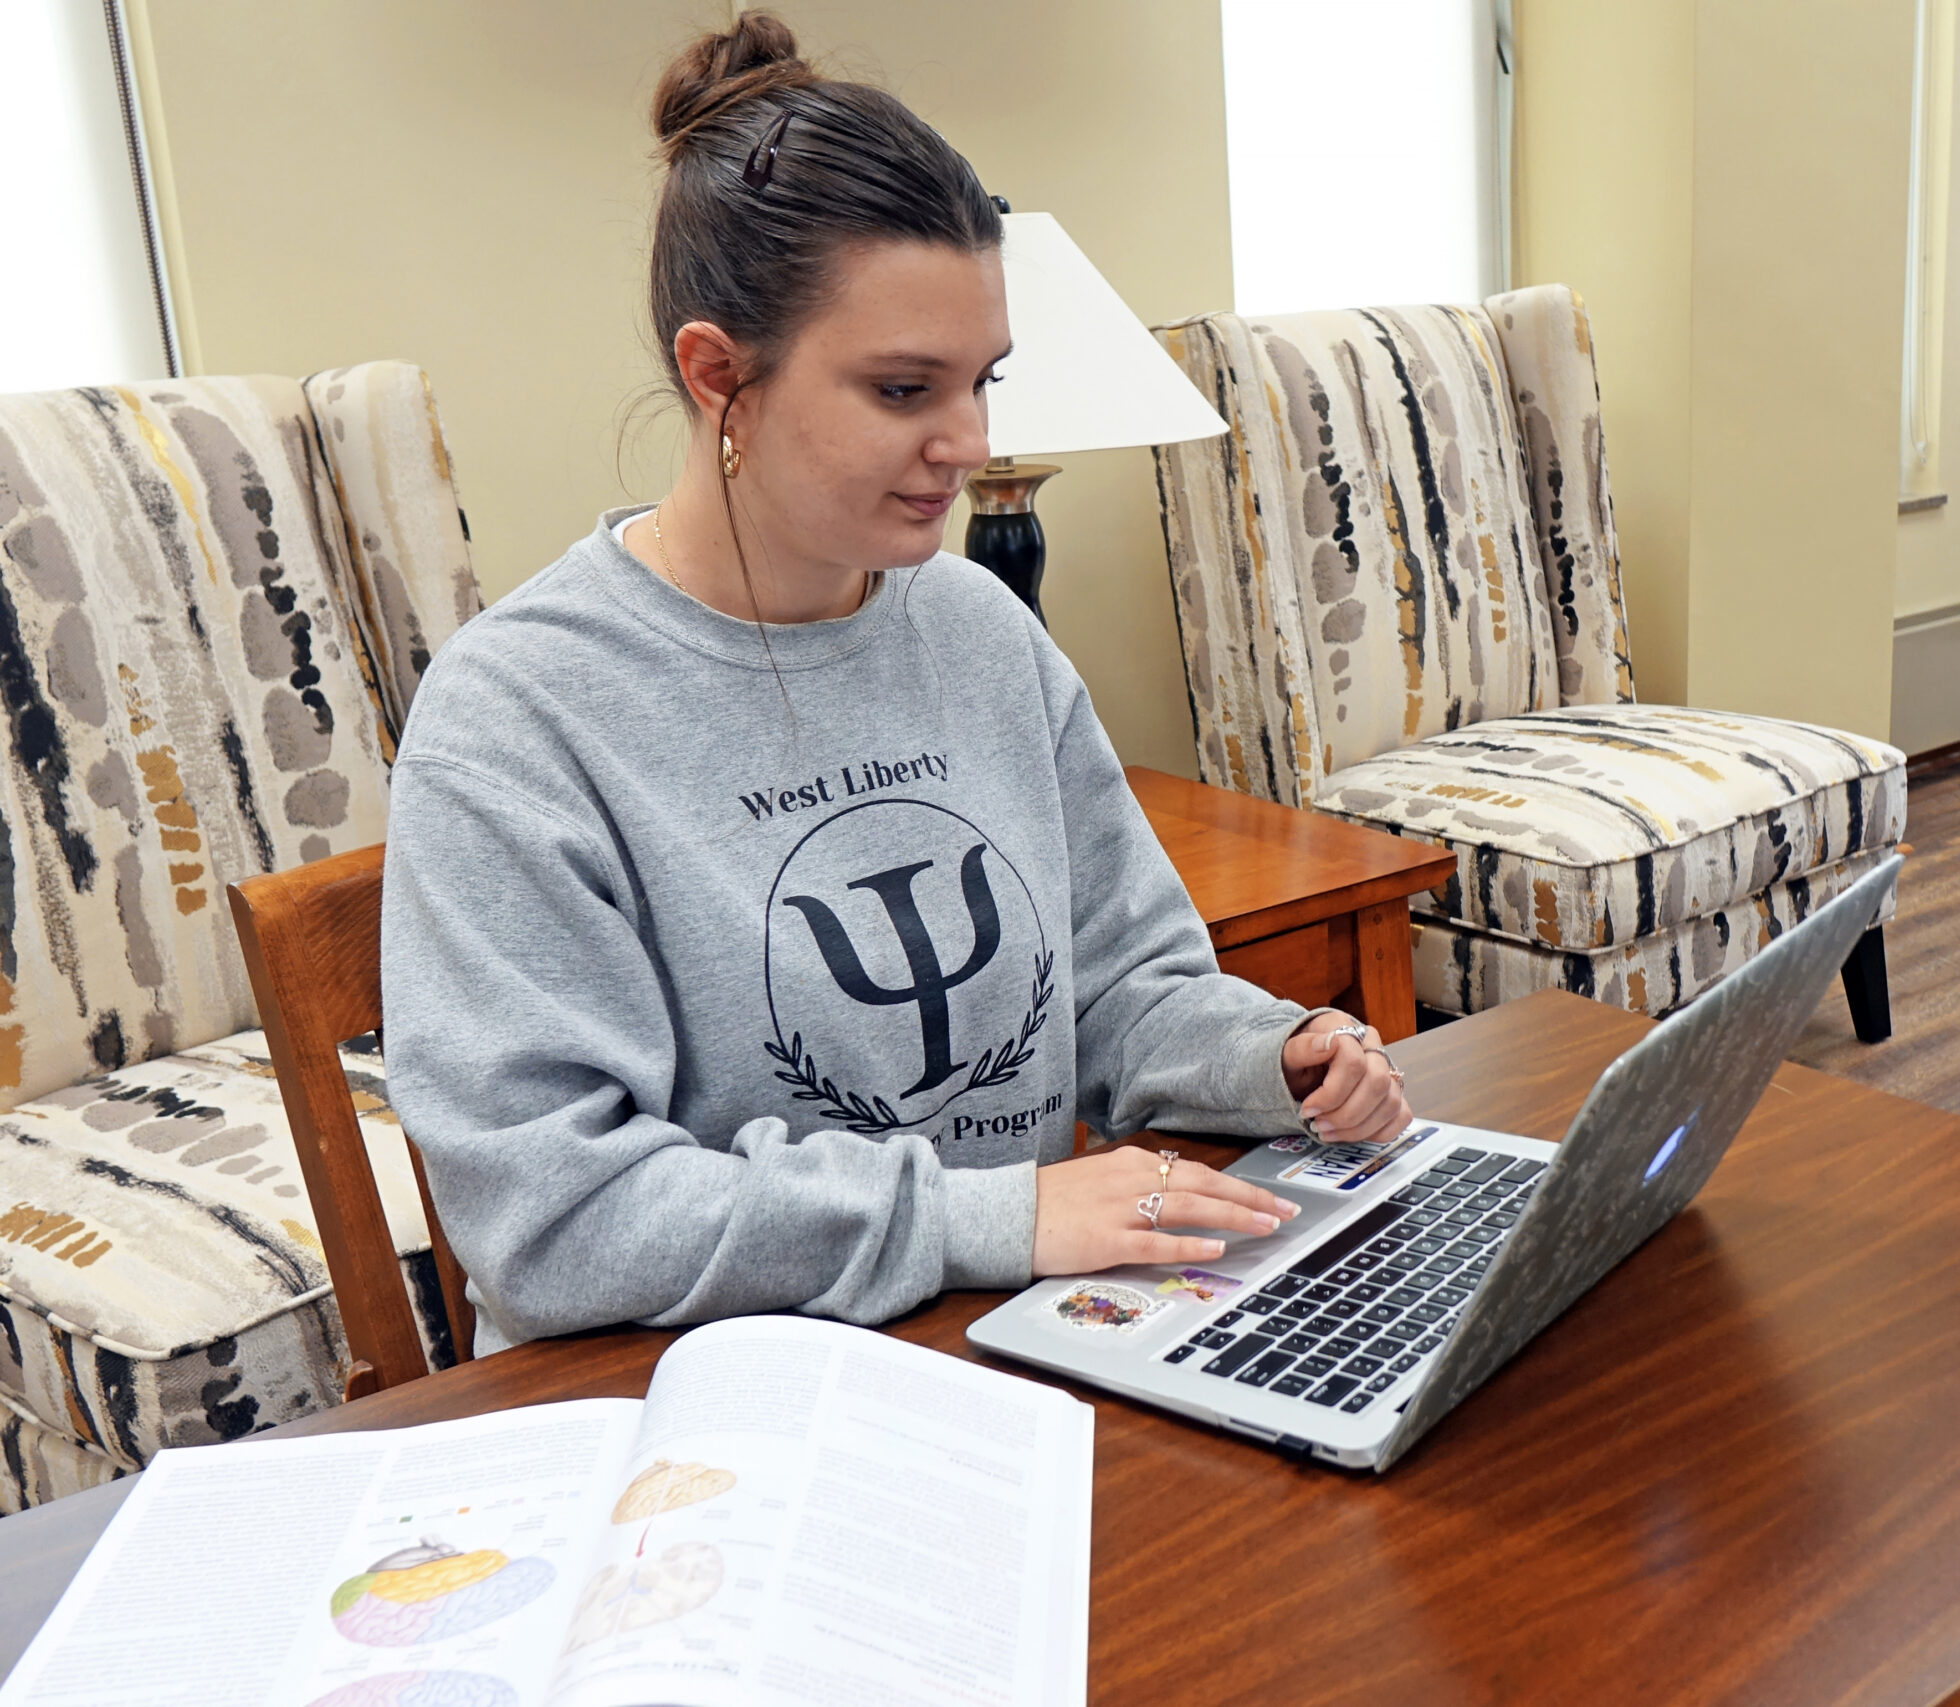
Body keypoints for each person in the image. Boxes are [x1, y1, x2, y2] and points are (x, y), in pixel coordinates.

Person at [380, 13, 1411, 1355]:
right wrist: (996, 1217)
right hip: (690, 1395)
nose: (969, 442)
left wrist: (1271, 1056)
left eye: (984, 382)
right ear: (718, 377)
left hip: (991, 1336)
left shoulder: (979, 628)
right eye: (906, 389)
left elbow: (1117, 985)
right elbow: (557, 1220)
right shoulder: (518, 715)